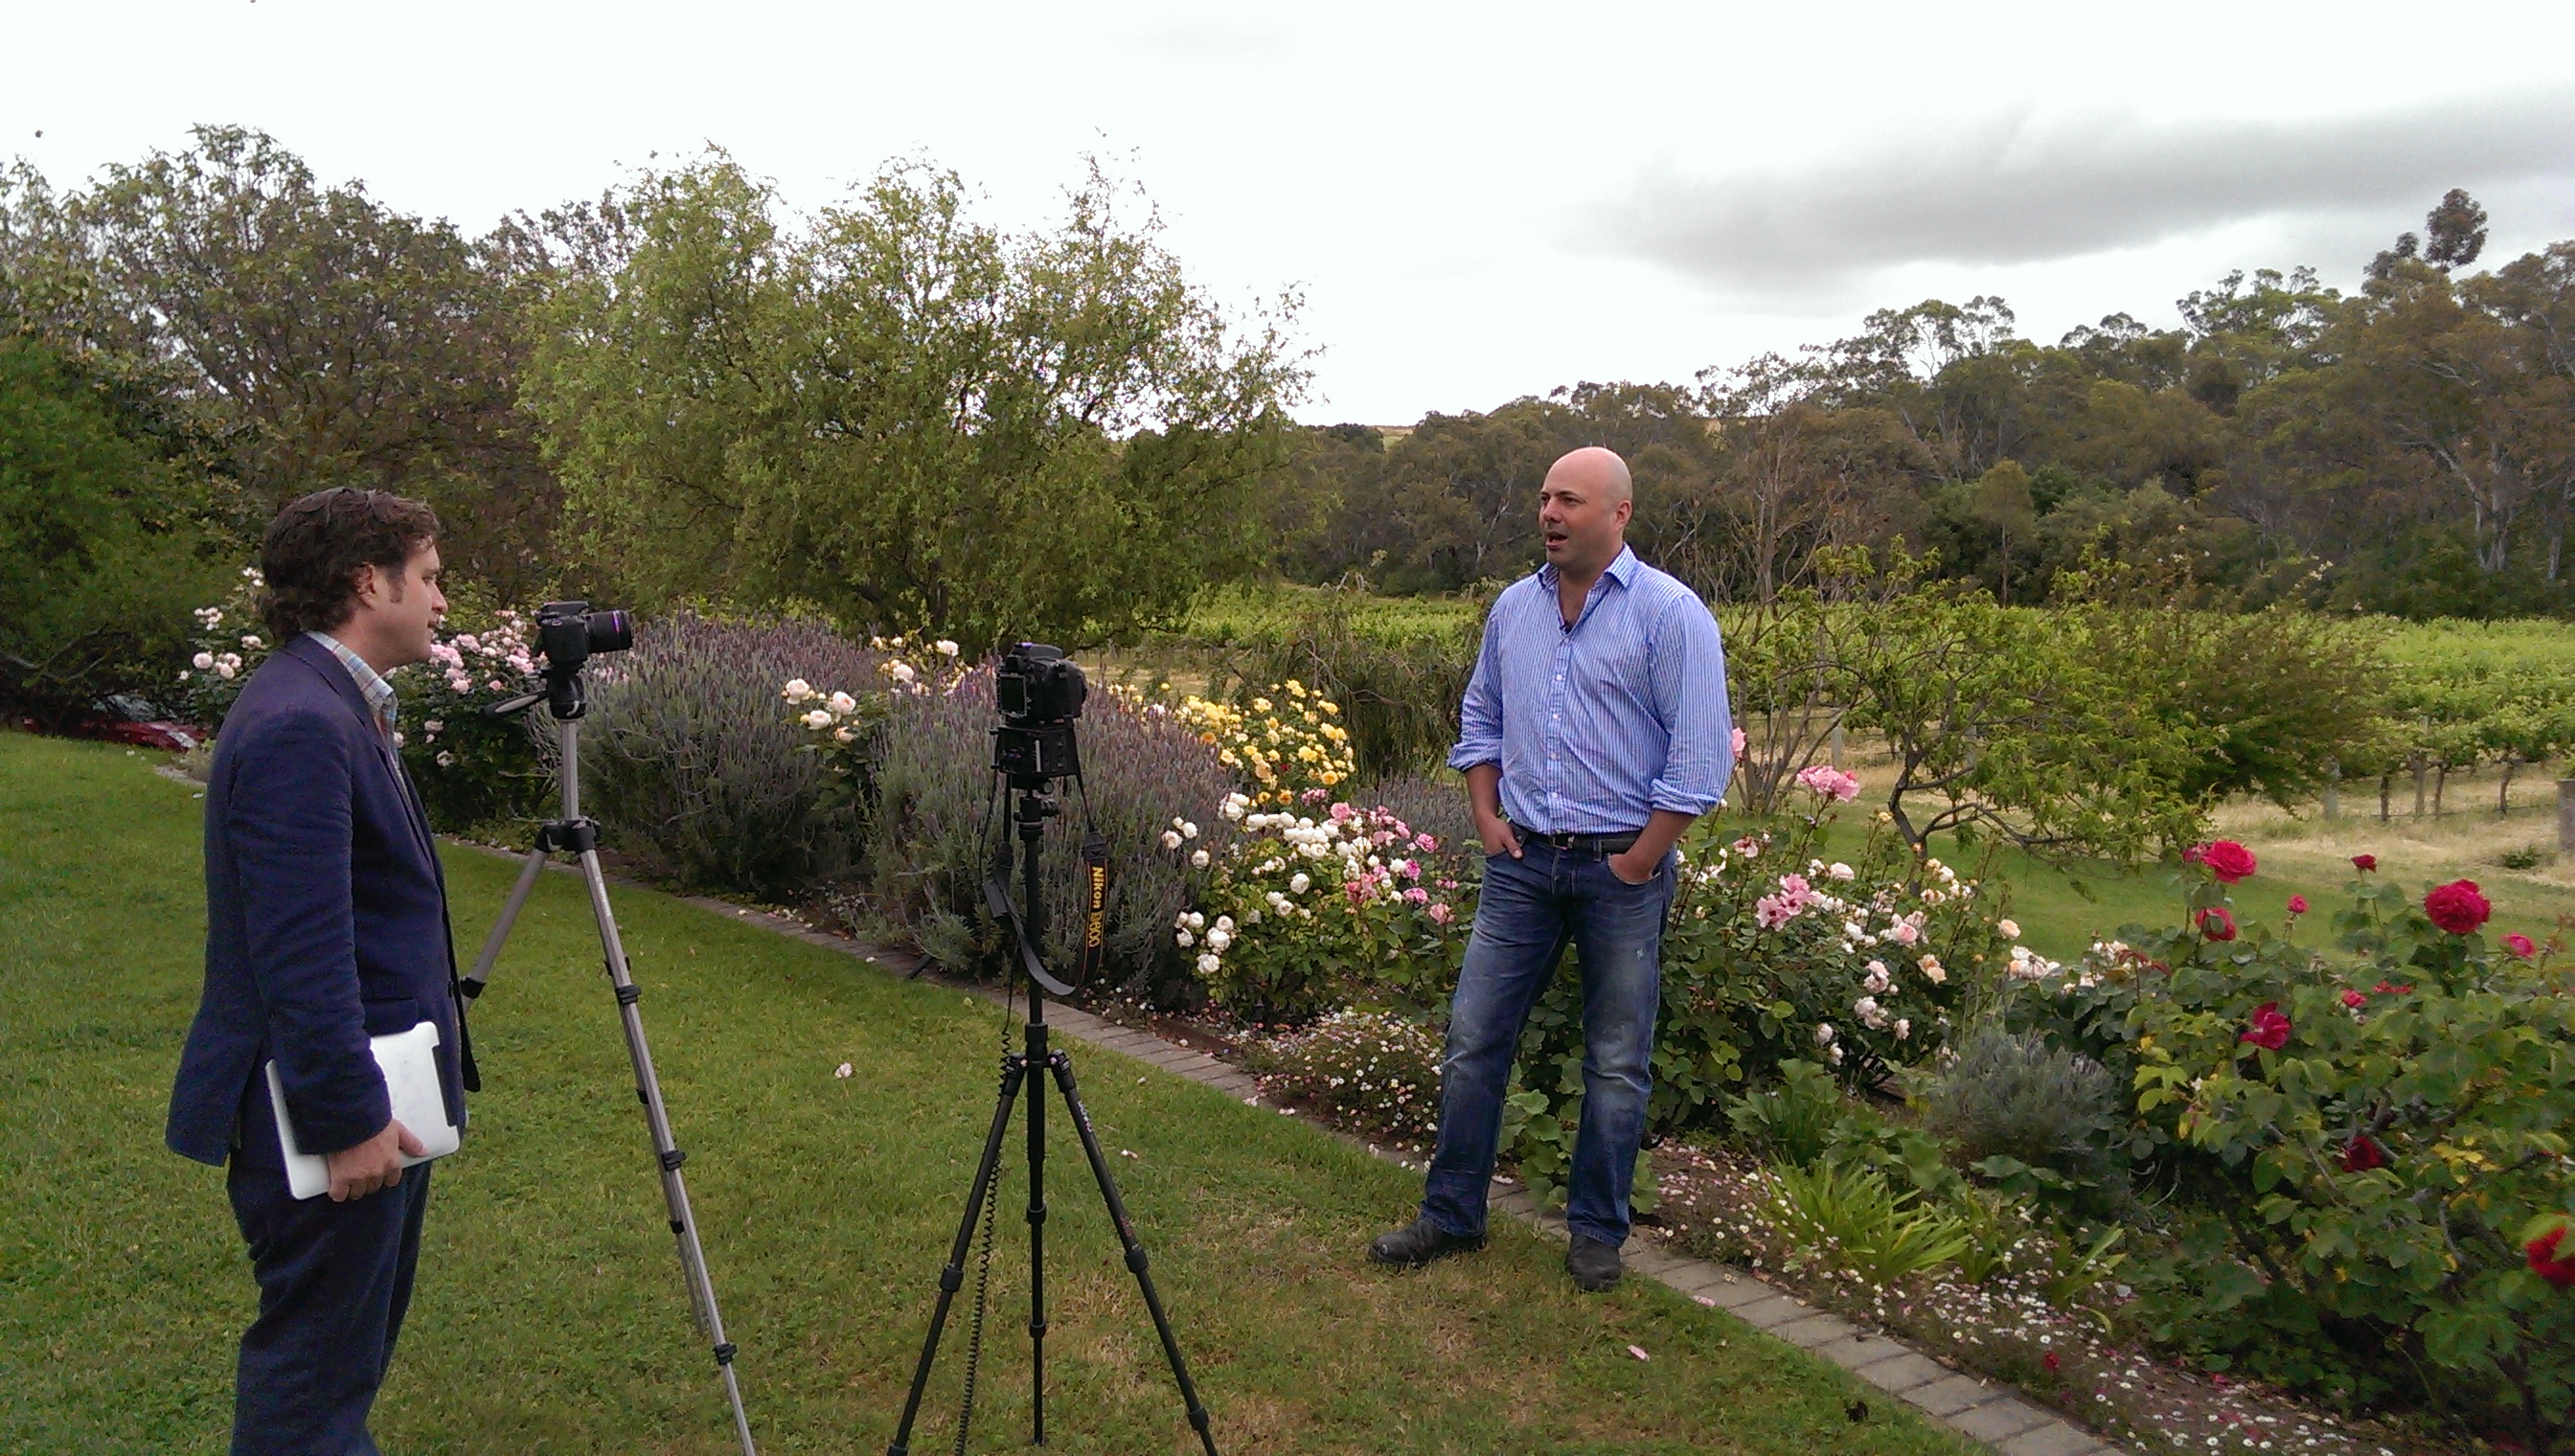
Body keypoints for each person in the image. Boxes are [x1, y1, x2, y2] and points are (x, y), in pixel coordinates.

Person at [1369, 446, 1731, 1292]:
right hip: (1522, 867)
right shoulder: (1513, 609)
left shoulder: (1671, 616)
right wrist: (1487, 818)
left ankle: (1596, 1235)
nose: (1549, 514)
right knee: (1472, 1042)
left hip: (1621, 876)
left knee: (1614, 1060)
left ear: (1619, 514)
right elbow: (1481, 713)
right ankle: (1451, 1218)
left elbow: (1700, 758)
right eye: (1543, 499)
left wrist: (1639, 862)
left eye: (1569, 500)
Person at [167, 487, 477, 1455]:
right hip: (331, 1124)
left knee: (336, 1370)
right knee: (310, 1386)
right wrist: (347, 1120)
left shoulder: (333, 701)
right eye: (426, 577)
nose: (440, 600)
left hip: (374, 1100)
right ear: (366, 580)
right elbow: (299, 950)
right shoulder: (304, 720)